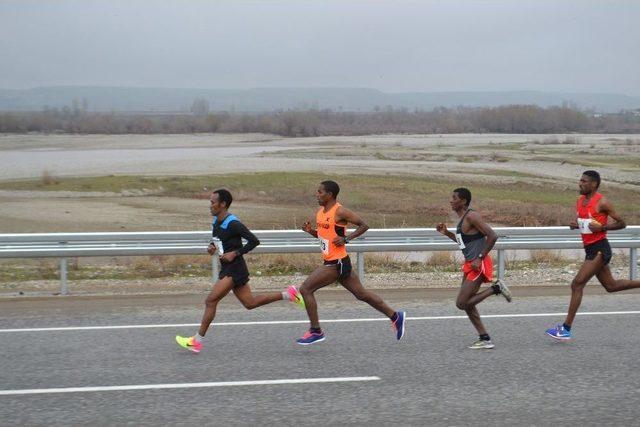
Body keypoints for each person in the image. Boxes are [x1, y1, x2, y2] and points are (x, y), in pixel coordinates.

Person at [176, 189, 305, 353]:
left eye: (212, 202)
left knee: (210, 301)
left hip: (234, 269)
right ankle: (289, 294)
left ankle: (196, 341)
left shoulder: (233, 223)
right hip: (229, 268)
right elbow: (219, 240)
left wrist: (235, 253)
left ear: (222, 204)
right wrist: (212, 247)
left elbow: (254, 241)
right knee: (250, 303)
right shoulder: (217, 221)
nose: (210, 206)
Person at [295, 180, 406, 345]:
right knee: (361, 294)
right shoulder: (320, 212)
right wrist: (311, 231)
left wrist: (346, 239)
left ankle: (316, 330)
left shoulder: (340, 211)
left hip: (336, 263)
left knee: (305, 289)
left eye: (320, 192)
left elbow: (364, 225)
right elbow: (325, 237)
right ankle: (395, 316)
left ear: (330, 194)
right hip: (337, 261)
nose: (316, 195)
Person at [546, 170, 640, 340]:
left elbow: (622, 223)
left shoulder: (602, 202)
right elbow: (586, 223)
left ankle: (566, 329)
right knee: (611, 286)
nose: (580, 183)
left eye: (584, 181)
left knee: (577, 284)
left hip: (600, 249)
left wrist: (603, 228)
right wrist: (576, 225)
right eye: (580, 180)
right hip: (590, 248)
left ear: (594, 184)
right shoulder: (580, 201)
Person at [436, 187, 511, 349]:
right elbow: (464, 243)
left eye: (454, 198)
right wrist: (447, 233)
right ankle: (484, 338)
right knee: (468, 303)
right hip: (470, 264)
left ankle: (496, 288)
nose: (451, 200)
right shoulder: (463, 218)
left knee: (461, 303)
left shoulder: (472, 216)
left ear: (463, 201)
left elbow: (492, 236)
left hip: (478, 264)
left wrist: (480, 257)